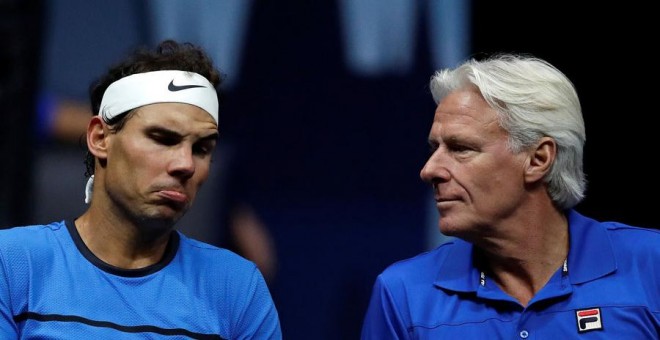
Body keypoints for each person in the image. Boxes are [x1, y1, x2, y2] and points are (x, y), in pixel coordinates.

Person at [361, 54, 660, 338]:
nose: (430, 170)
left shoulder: (651, 265)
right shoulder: (403, 294)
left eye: (461, 148)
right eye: (434, 148)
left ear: (538, 159)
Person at [0, 40, 282, 339]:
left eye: (201, 148)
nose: (186, 164)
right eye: (162, 138)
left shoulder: (237, 287)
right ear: (99, 138)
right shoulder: (12, 263)